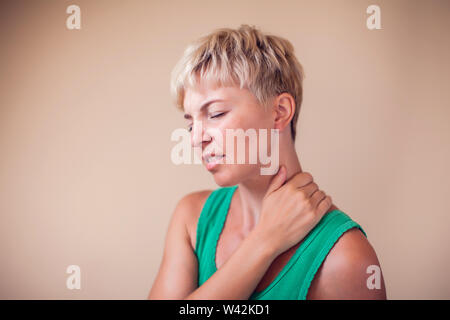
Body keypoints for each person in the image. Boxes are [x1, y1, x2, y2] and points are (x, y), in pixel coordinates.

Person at [149, 25, 386, 300]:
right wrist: (265, 241)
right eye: (191, 123)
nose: (195, 140)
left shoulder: (346, 258)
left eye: (215, 113)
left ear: (279, 112)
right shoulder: (191, 219)